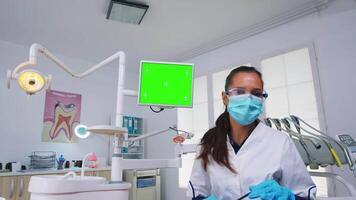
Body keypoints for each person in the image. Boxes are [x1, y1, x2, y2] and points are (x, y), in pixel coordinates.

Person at [187, 66, 316, 200]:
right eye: (239, 91)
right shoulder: (208, 143)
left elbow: (305, 195)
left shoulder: (280, 143)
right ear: (225, 98)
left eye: (256, 93)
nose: (248, 99)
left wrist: (290, 198)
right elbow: (197, 192)